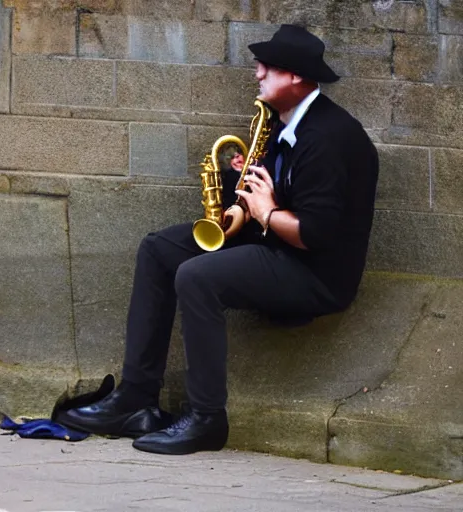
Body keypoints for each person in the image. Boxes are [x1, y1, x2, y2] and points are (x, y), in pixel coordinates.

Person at [56, 24, 379, 455]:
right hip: (273, 245)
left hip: (313, 272)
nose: (257, 74)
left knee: (196, 276)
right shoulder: (283, 124)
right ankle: (135, 400)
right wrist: (240, 195)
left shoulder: (328, 138)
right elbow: (278, 187)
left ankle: (208, 418)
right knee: (159, 250)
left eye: (267, 67)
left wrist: (265, 212)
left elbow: (313, 235)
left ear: (296, 76)